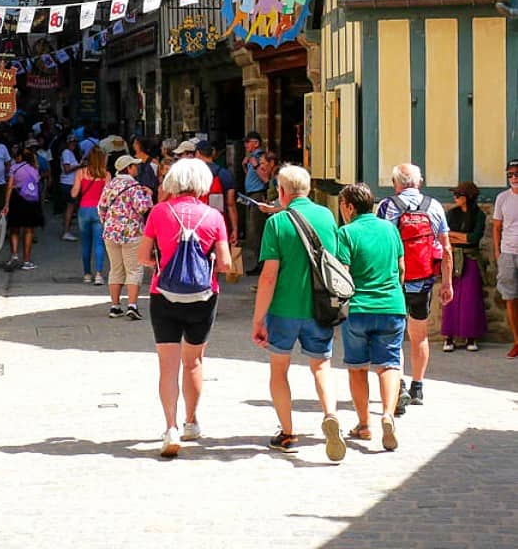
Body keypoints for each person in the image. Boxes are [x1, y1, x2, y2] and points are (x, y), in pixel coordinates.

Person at [251, 163, 346, 462]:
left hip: (284, 309)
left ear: (281, 191)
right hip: (320, 307)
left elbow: (268, 276)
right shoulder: (327, 216)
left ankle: (288, 432)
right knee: (322, 366)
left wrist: (258, 319)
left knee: (279, 369)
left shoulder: (277, 224)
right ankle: (330, 414)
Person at [138, 157, 231, 457]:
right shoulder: (214, 217)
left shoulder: (158, 213)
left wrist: (163, 264)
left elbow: (143, 257)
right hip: (203, 298)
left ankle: (170, 427)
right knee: (194, 362)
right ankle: (191, 421)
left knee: (168, 366)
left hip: (163, 294)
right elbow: (226, 263)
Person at [377, 163, 453, 412]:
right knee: (419, 336)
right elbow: (446, 248)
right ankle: (417, 387)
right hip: (423, 280)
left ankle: (397, 385)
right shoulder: (434, 206)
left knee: (394, 336)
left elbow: (379, 246)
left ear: (395, 183)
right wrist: (448, 282)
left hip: (394, 282)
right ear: (419, 182)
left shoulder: (387, 207)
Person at [336, 183, 406, 452]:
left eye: (342, 205)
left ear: (350, 206)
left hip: (359, 308)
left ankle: (364, 424)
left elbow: (342, 273)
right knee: (389, 364)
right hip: (391, 306)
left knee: (357, 367)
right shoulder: (389, 228)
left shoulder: (346, 233)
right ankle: (387, 415)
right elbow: (401, 267)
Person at [98, 154, 153, 319]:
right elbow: (142, 208)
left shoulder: (110, 185)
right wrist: (149, 195)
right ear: (128, 168)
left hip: (111, 232)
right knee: (134, 269)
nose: (137, 168)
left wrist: (108, 223)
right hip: (132, 232)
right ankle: (132, 305)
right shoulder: (134, 186)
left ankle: (115, 306)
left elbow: (101, 207)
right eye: (134, 166)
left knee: (116, 269)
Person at [442, 181, 487, 352]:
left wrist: (458, 237)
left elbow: (474, 238)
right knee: (450, 297)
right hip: (453, 259)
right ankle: (449, 337)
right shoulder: (451, 214)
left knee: (471, 298)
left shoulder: (479, 215)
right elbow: (445, 236)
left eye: (458, 195)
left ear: (467, 198)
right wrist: (461, 237)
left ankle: (471, 337)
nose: (455, 198)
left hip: (471, 259)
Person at [2, 145, 44, 271]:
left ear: (20, 157)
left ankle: (14, 254)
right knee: (28, 230)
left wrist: (6, 204)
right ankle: (26, 260)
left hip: (16, 198)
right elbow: (37, 184)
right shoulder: (34, 169)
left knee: (14, 228)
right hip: (30, 200)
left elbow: (9, 187)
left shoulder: (14, 168)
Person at [72, 147, 110, 283]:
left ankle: (87, 274)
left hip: (84, 210)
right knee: (99, 244)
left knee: (86, 244)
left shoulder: (81, 172)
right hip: (99, 210)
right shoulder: (106, 174)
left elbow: (74, 193)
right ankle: (99, 274)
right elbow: (108, 196)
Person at [493, 159, 518, 357]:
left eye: (517, 173)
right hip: (508, 253)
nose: (514, 178)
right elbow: (496, 226)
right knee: (510, 298)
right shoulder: (502, 198)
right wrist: (497, 252)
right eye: (510, 174)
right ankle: (517, 341)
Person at [59, 133, 82, 241]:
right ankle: (66, 231)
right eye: (72, 142)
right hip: (68, 183)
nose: (73, 144)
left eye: (75, 142)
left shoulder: (71, 153)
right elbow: (67, 169)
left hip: (71, 183)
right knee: (70, 207)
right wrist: (79, 165)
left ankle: (66, 229)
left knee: (70, 207)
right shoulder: (66, 153)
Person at [132, 135, 159, 200]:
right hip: (149, 192)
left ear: (140, 145)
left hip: (137, 192)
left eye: (135, 143)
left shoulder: (131, 161)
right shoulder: (154, 161)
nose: (133, 145)